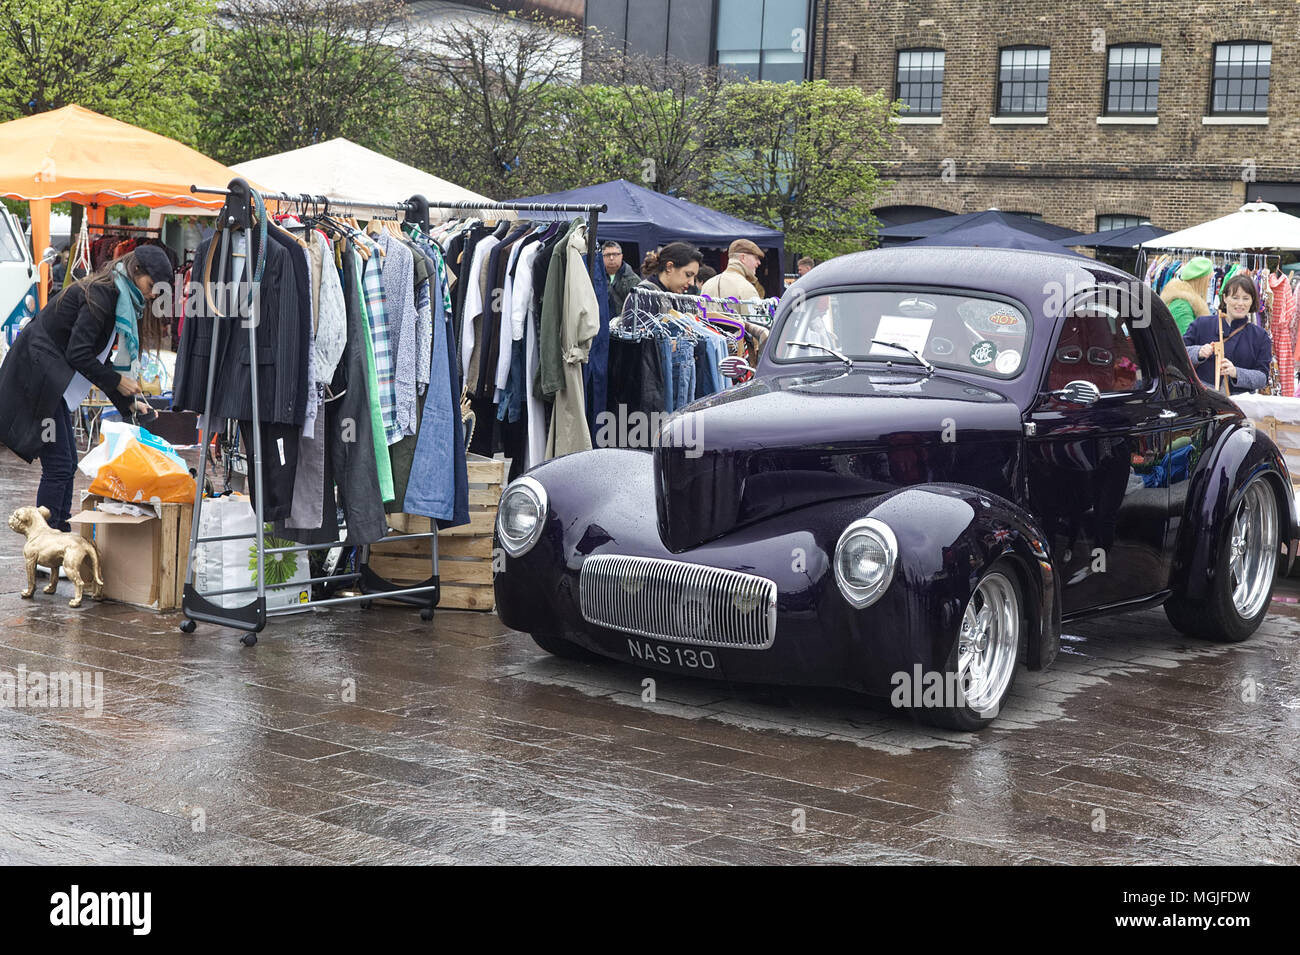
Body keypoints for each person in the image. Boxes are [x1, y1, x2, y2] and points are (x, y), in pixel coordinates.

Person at [0, 247, 167, 530]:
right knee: (59, 465)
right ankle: (49, 542)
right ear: (136, 271)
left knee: (64, 464)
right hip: (40, 378)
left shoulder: (116, 294)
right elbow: (80, 353)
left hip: (51, 381)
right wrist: (117, 383)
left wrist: (127, 403)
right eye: (152, 286)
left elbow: (97, 358)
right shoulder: (103, 296)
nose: (152, 295)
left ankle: (59, 538)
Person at [1183, 272, 1272, 395]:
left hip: (1239, 404)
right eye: (1235, 297)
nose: (1240, 303)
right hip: (1199, 399)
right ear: (1225, 298)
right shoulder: (1201, 324)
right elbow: (1178, 354)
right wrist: (1198, 352)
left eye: (1246, 298)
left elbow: (1262, 378)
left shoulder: (1260, 336)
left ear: (1252, 301)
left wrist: (1235, 372)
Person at [700, 239, 766, 308]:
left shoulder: (708, 284)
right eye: (756, 258)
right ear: (743, 258)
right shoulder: (746, 288)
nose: (759, 262)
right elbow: (753, 318)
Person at [1160, 256, 1212, 335]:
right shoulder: (1181, 306)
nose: (1209, 285)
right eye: (1209, 280)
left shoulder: (1185, 302)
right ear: (1200, 281)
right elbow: (1185, 342)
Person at [633, 242, 702, 299]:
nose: (692, 283)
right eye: (688, 274)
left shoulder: (674, 296)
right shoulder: (644, 296)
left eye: (694, 278)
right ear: (669, 267)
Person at [602, 240, 639, 315]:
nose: (611, 258)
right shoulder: (595, 277)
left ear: (621, 256)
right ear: (602, 257)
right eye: (607, 255)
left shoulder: (633, 279)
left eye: (615, 254)